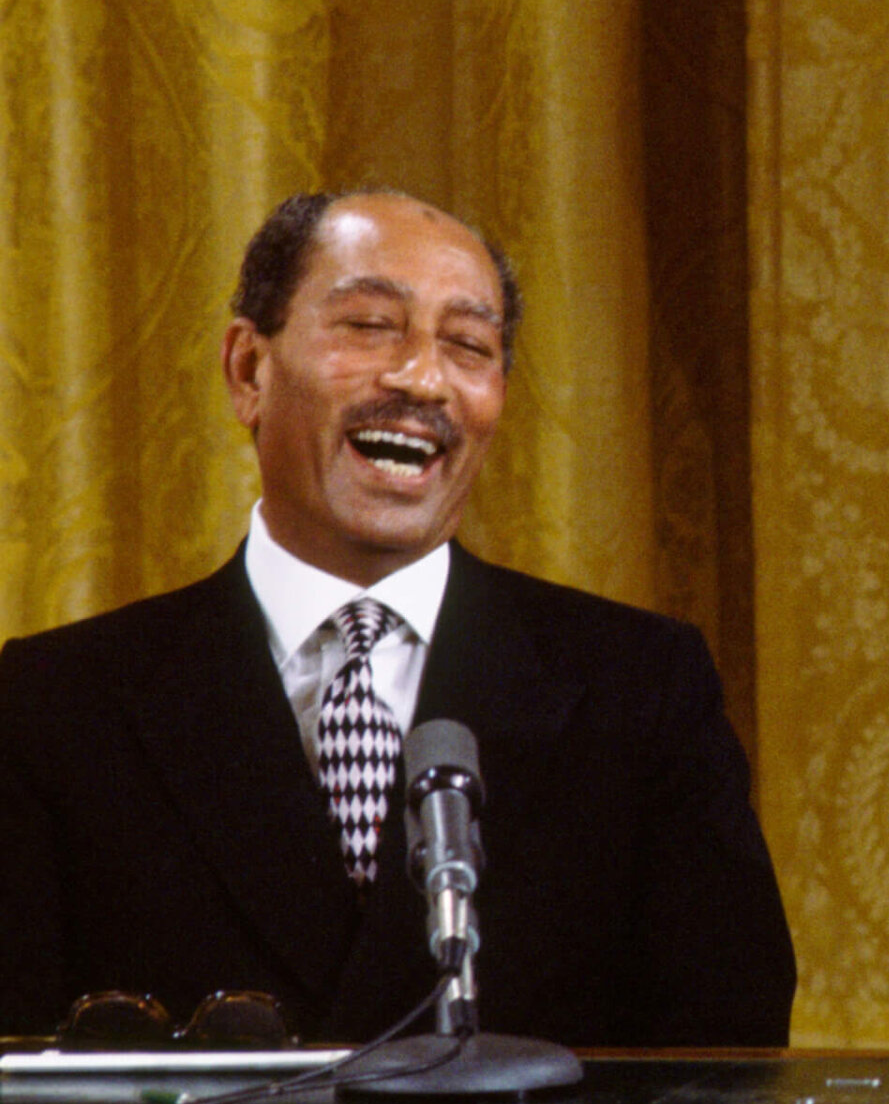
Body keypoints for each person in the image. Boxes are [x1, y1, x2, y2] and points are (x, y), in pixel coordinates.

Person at [0, 190, 796, 1047]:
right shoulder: (51, 706)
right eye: (371, 326)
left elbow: (727, 1071)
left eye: (468, 346)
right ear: (247, 371)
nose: (422, 379)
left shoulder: (640, 690)